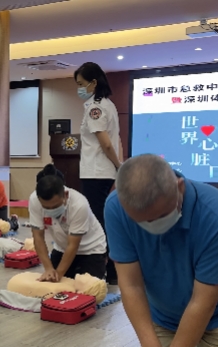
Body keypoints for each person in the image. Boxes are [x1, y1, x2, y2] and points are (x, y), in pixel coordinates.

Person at [105, 154, 218, 347]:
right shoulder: (117, 207)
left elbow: (202, 302)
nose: (152, 227)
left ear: (179, 186)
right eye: (142, 222)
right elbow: (130, 284)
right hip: (164, 315)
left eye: (161, 216)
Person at [74, 62, 122, 284]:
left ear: (94, 82)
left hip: (96, 171)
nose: (79, 88)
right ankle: (110, 270)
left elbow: (106, 144)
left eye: (82, 84)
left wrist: (119, 165)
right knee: (101, 221)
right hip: (101, 171)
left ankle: (106, 270)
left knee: (98, 223)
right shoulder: (108, 104)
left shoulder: (96, 107)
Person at [29, 164, 107, 281]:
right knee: (50, 285)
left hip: (91, 249)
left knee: (87, 289)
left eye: (55, 206)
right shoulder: (34, 200)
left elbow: (73, 245)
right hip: (62, 248)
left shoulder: (80, 204)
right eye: (46, 207)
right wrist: (49, 269)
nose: (51, 210)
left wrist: (58, 275)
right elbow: (38, 237)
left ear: (65, 195)